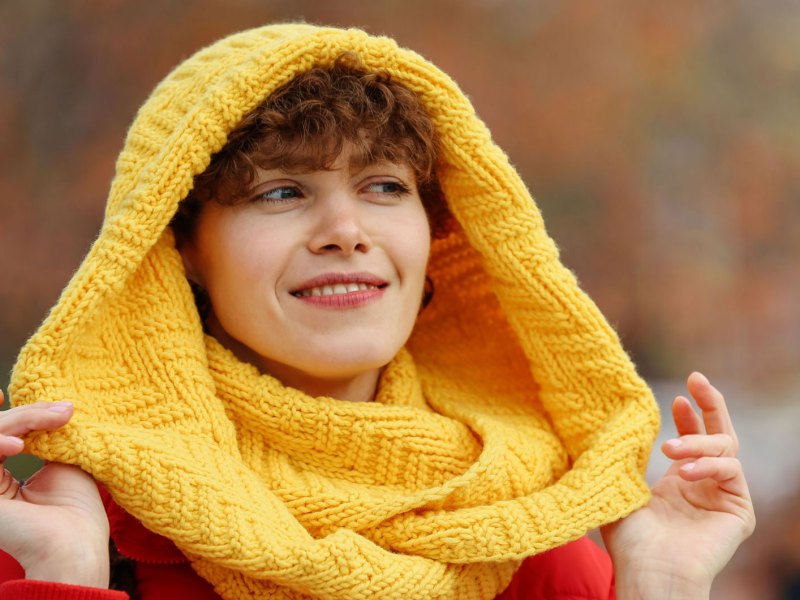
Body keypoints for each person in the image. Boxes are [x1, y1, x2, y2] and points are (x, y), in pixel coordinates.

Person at [0, 24, 754, 599]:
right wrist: (63, 573)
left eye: (385, 187)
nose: (347, 232)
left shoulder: (526, 534)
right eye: (282, 191)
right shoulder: (79, 533)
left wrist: (663, 585)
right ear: (180, 248)